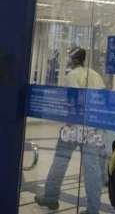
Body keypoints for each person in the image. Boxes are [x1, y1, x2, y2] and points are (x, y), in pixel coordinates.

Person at [36, 47, 107, 214]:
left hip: (74, 126)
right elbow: (103, 99)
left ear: (74, 60)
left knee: (60, 160)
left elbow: (75, 100)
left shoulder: (71, 76)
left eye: (69, 57)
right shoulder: (95, 75)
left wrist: (69, 123)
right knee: (92, 168)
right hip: (93, 127)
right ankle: (93, 209)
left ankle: (51, 198)